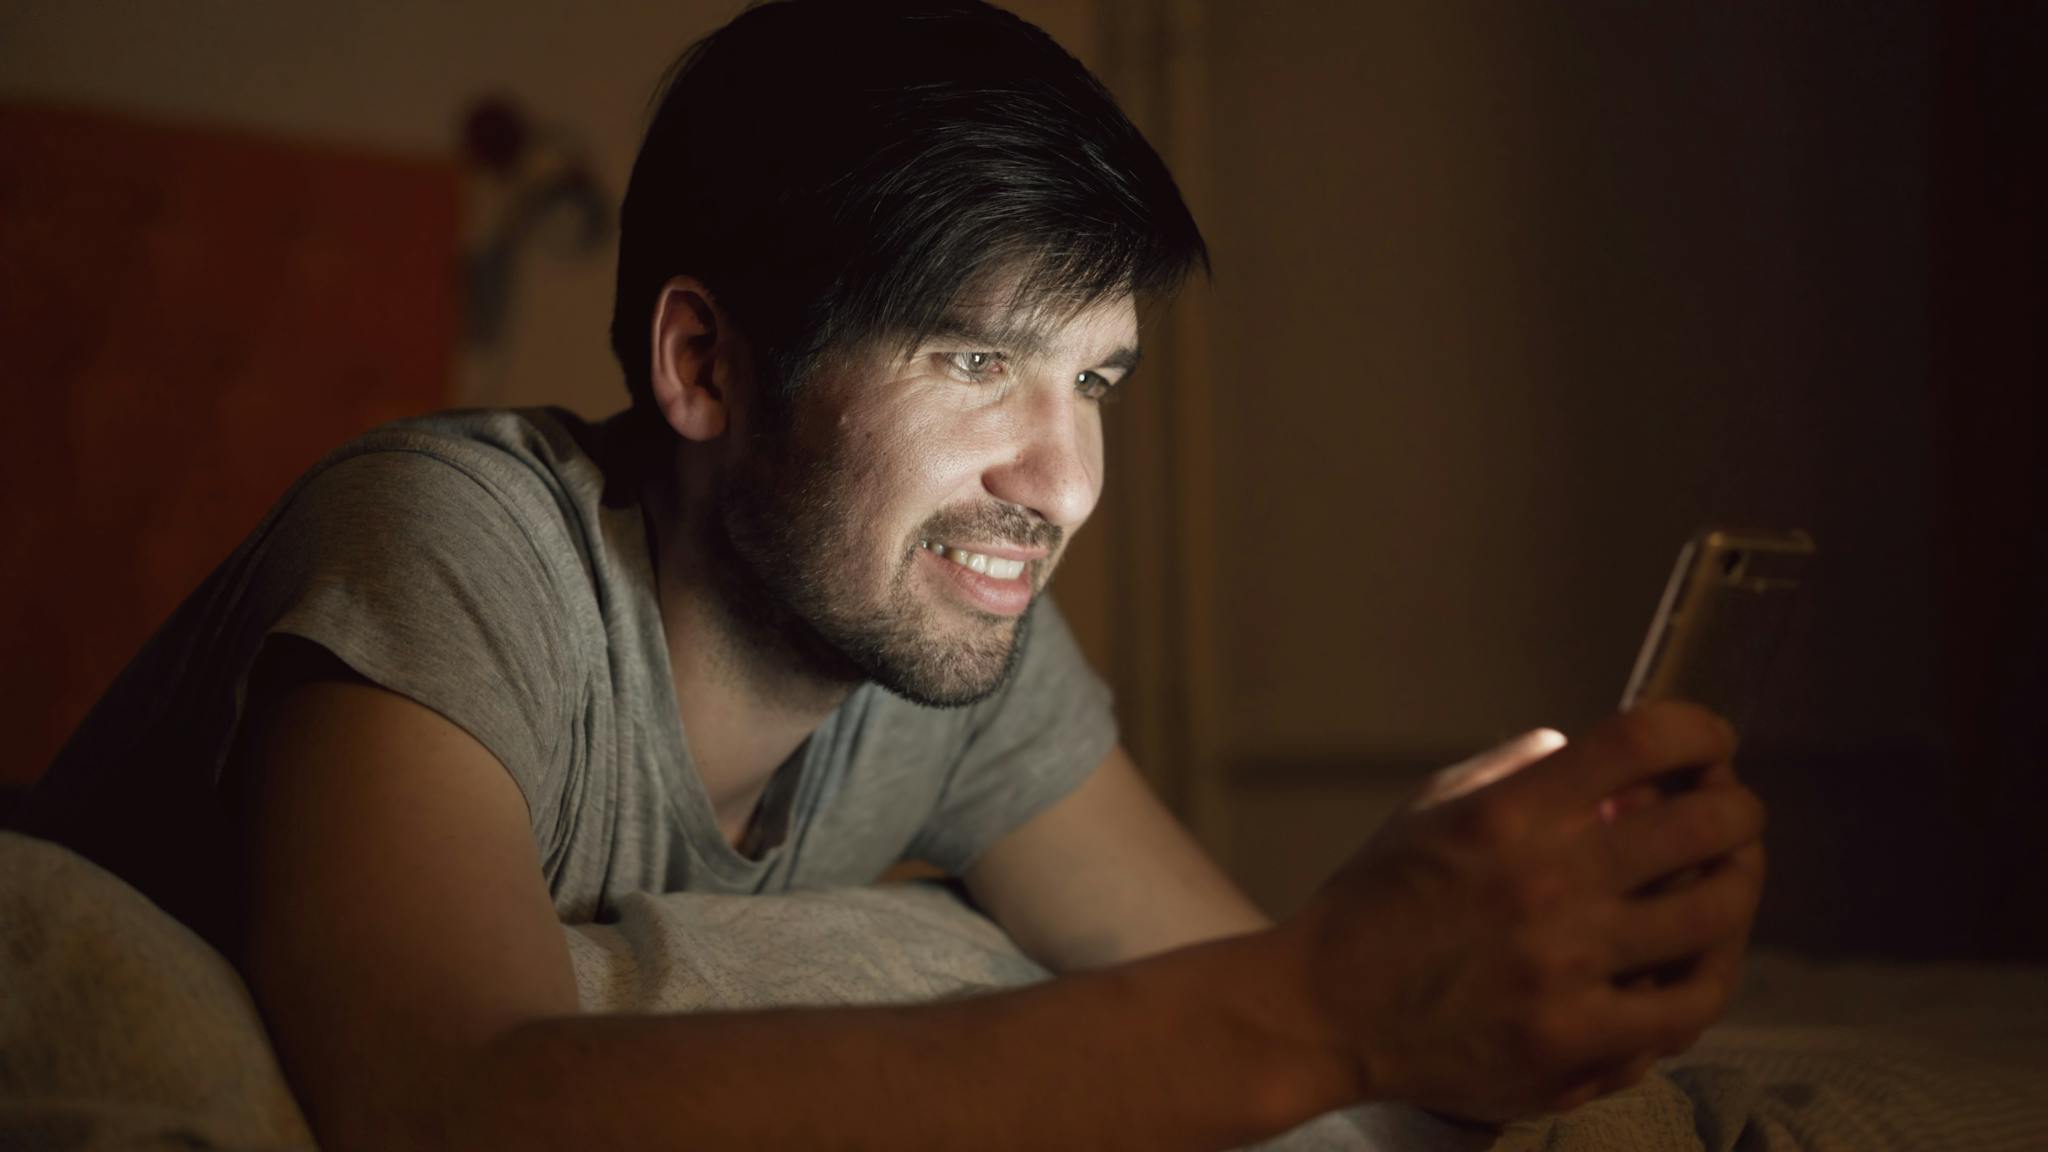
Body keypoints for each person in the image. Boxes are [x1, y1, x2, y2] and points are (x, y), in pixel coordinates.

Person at [17, 1, 1767, 1149]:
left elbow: (1248, 1000)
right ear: (703, 368)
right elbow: (444, 1104)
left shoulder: (955, 638)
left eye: (1094, 380)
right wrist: (1326, 1002)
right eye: (969, 362)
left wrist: (1473, 977)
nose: (1063, 480)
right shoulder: (455, 540)